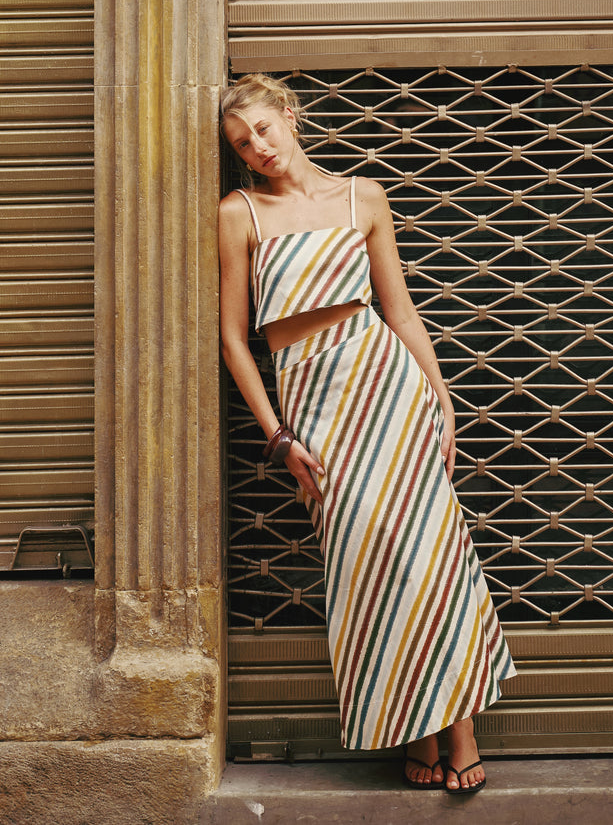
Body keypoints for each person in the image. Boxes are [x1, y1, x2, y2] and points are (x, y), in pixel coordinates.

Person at [218, 74, 516, 793]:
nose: (258, 147)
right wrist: (278, 437)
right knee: (370, 569)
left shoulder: (363, 197)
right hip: (316, 408)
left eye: (263, 128)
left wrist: (440, 399)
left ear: (290, 116)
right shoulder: (238, 213)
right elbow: (233, 339)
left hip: (389, 389)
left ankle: (459, 729)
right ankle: (416, 725)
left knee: (432, 557)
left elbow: (400, 310)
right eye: (242, 143)